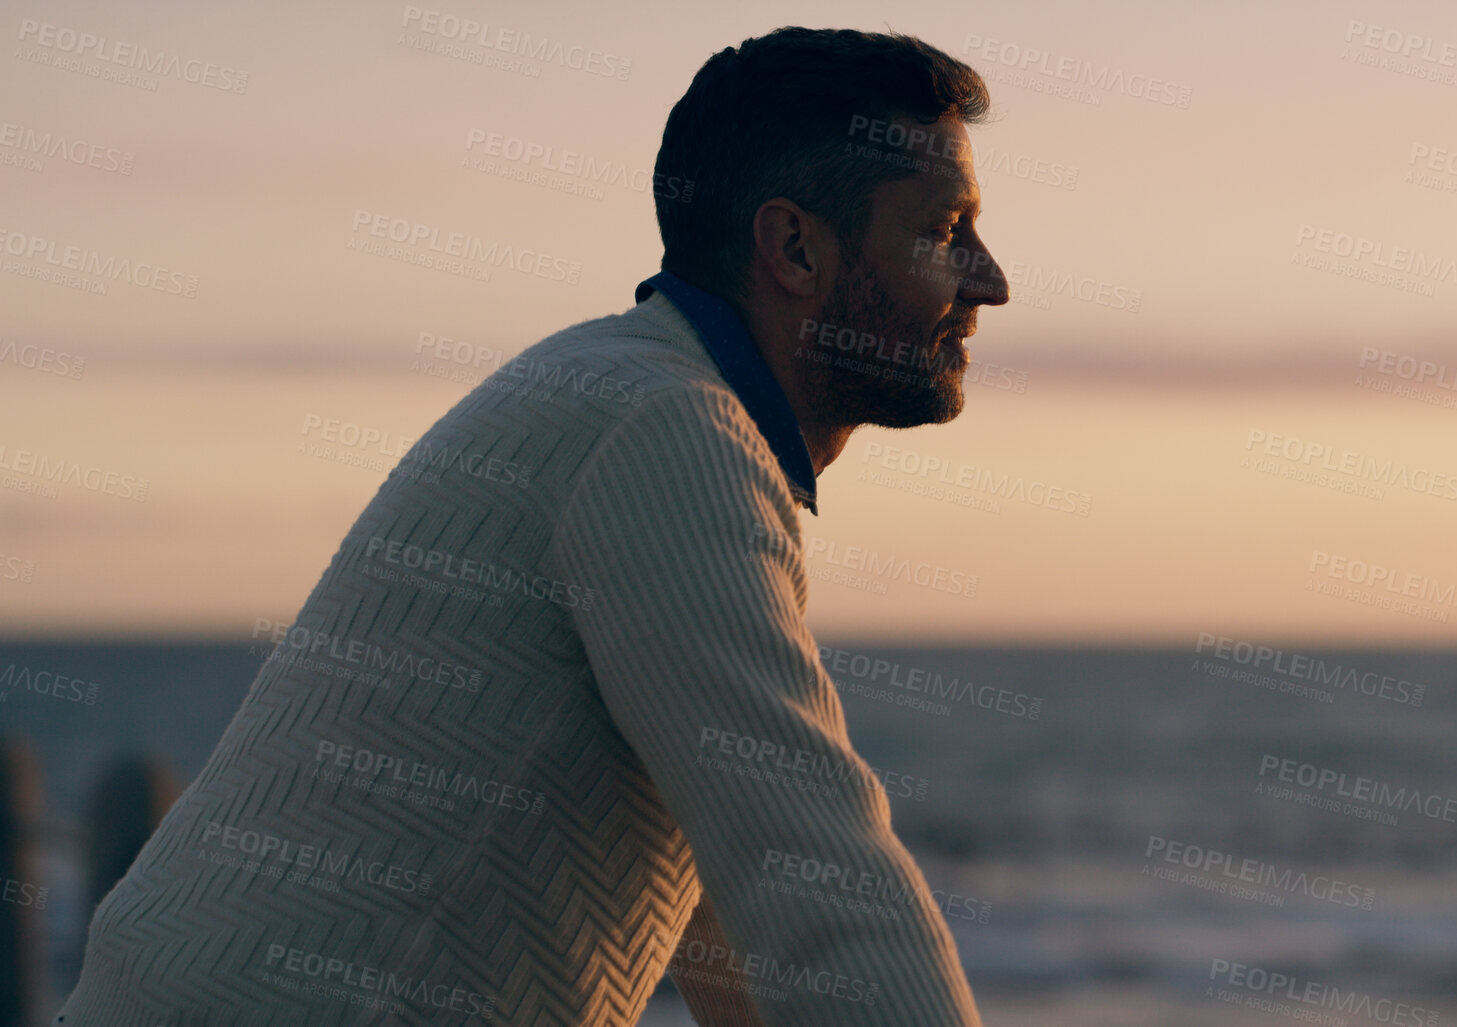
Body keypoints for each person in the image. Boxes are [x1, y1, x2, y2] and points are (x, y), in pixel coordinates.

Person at [53, 25, 1008, 1026]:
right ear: (796, 248)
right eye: (946, 232)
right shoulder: (665, 428)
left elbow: (735, 889)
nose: (990, 281)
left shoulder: (624, 390)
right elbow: (818, 873)